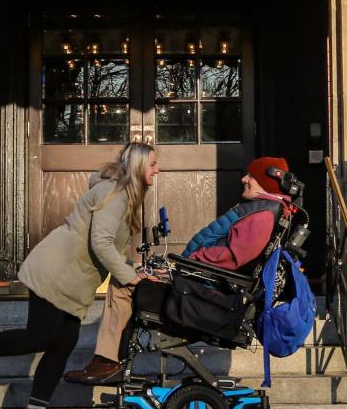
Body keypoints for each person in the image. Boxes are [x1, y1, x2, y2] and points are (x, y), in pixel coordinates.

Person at [0, 142, 159, 409]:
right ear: (137, 167)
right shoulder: (117, 195)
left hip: (71, 279)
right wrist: (131, 278)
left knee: (63, 342)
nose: (156, 170)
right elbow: (101, 244)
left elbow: (112, 248)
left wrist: (135, 269)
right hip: (55, 271)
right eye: (152, 164)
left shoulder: (123, 196)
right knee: (40, 337)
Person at [64, 156, 292, 386]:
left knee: (123, 284)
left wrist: (183, 265)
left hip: (204, 292)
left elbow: (231, 258)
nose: (244, 179)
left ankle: (108, 363)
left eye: (251, 176)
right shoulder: (265, 211)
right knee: (135, 277)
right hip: (200, 282)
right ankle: (111, 361)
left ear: (268, 181)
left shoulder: (261, 215)